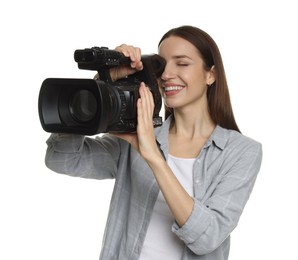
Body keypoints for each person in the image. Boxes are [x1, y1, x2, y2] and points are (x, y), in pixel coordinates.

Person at [45, 25, 262, 260]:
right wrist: (102, 84)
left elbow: (207, 237)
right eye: (161, 65)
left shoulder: (242, 152)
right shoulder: (135, 137)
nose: (167, 75)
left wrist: (153, 156)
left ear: (211, 74)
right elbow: (61, 158)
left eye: (182, 63)